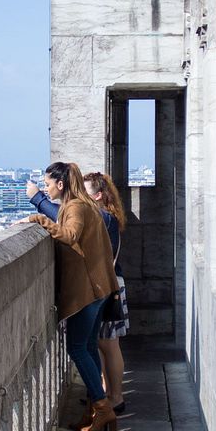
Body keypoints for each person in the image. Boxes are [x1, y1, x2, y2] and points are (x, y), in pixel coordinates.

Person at [23, 162, 119, 431]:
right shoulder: (85, 204)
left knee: (77, 347)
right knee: (87, 346)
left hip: (89, 290)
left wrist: (38, 219)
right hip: (99, 288)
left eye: (48, 183)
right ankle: (95, 410)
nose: (46, 188)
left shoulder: (75, 206)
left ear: (60, 184)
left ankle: (102, 408)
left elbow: (70, 235)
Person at [83, 171, 129, 414]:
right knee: (103, 343)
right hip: (109, 285)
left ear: (98, 195)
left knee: (109, 344)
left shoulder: (103, 217)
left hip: (110, 287)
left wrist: (37, 199)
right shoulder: (105, 216)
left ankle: (116, 397)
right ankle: (107, 393)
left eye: (85, 193)